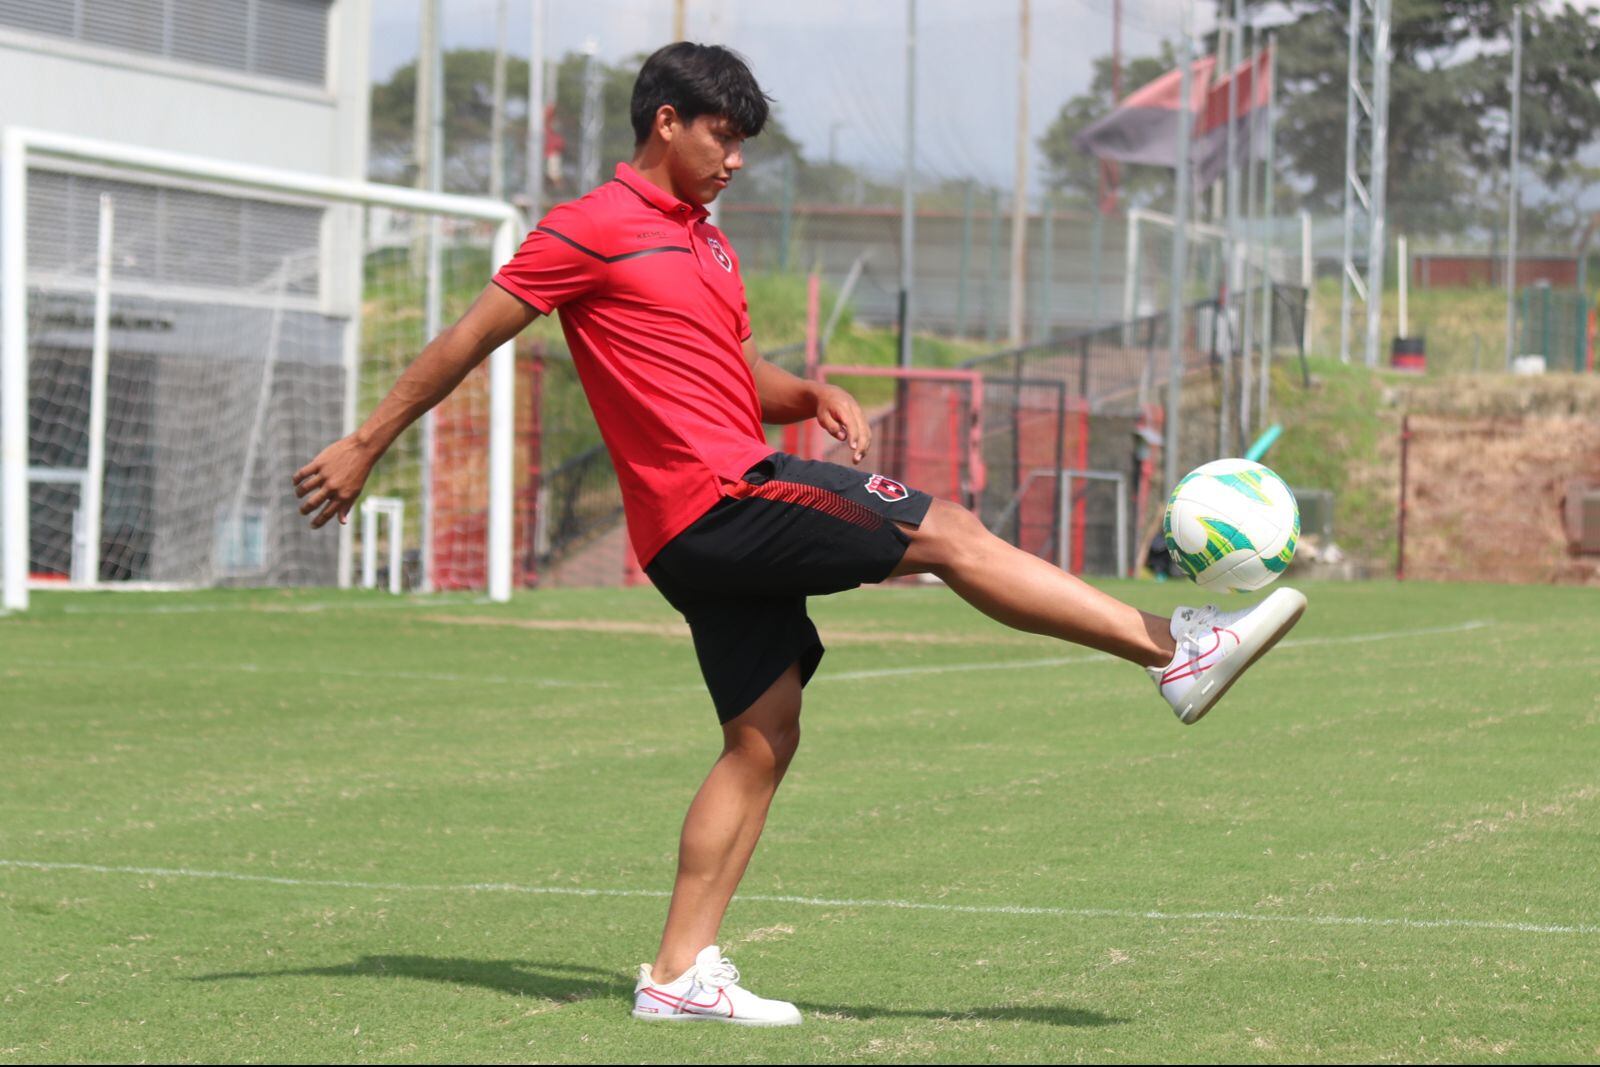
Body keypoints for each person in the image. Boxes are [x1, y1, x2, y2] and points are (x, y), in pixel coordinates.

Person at [293, 42, 1306, 1028]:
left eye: (744, 143)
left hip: (699, 528)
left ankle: (677, 974)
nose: (735, 160)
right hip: (720, 500)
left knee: (763, 735)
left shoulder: (707, 240)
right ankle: (1172, 650)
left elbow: (735, 372)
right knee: (948, 529)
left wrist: (810, 390)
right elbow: (467, 338)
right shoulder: (588, 227)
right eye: (721, 137)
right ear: (665, 123)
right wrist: (365, 442)